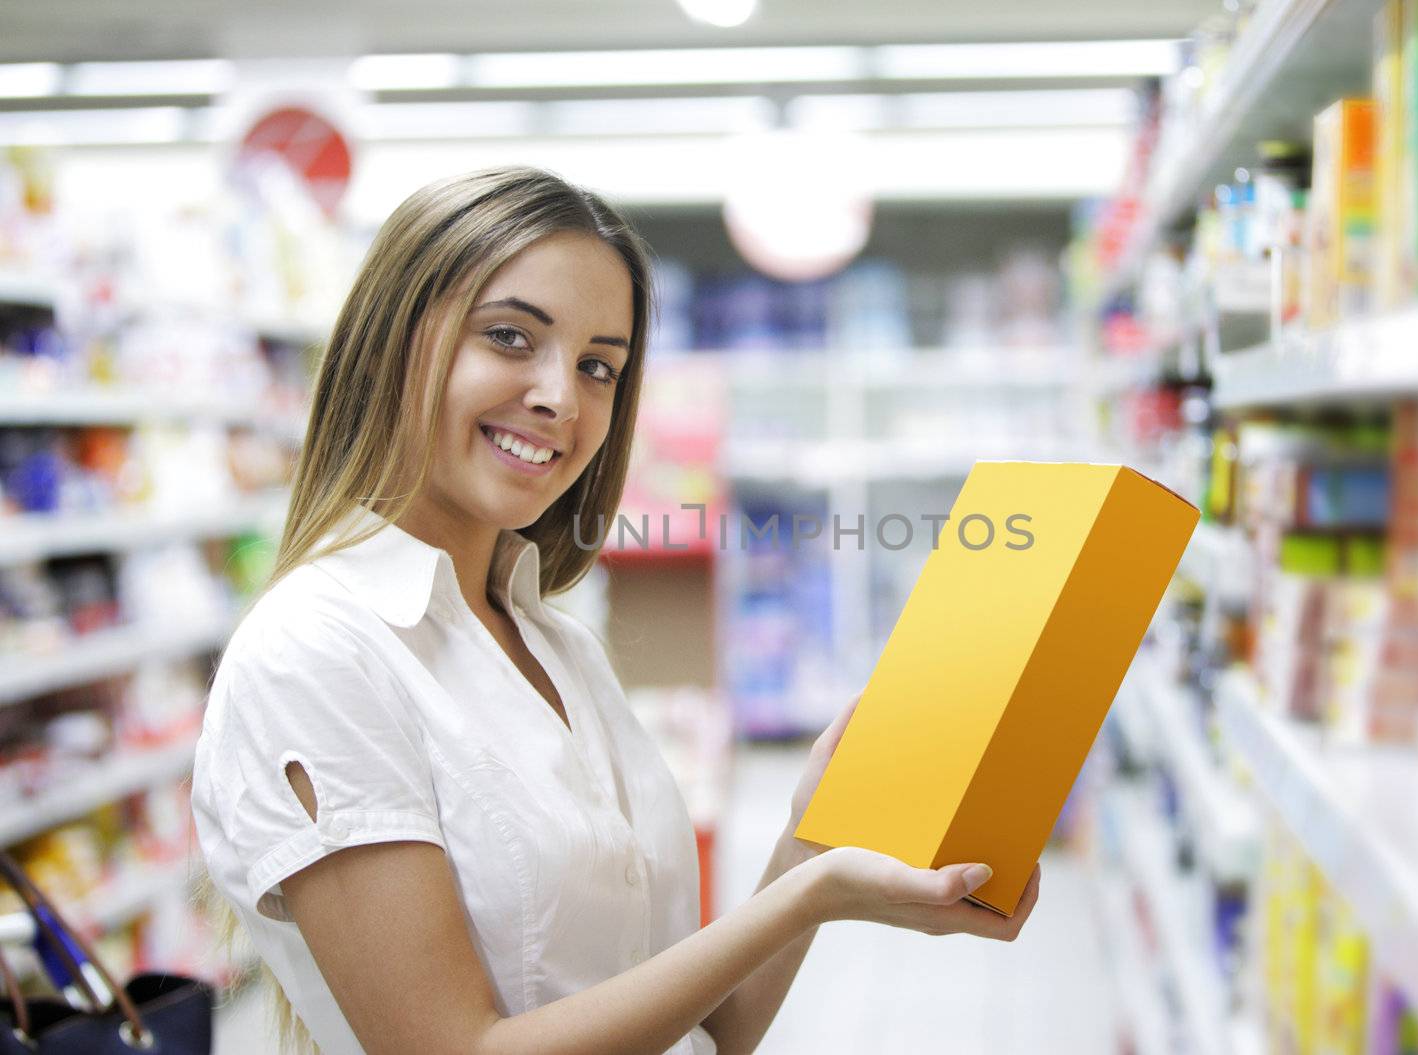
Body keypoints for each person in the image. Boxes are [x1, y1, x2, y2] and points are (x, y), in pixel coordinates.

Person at [190, 165, 1040, 1055]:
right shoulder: (316, 653)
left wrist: (807, 843)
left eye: (600, 365)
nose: (563, 397)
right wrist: (811, 893)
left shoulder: (551, 639)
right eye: (511, 337)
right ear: (392, 343)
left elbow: (708, 1031)